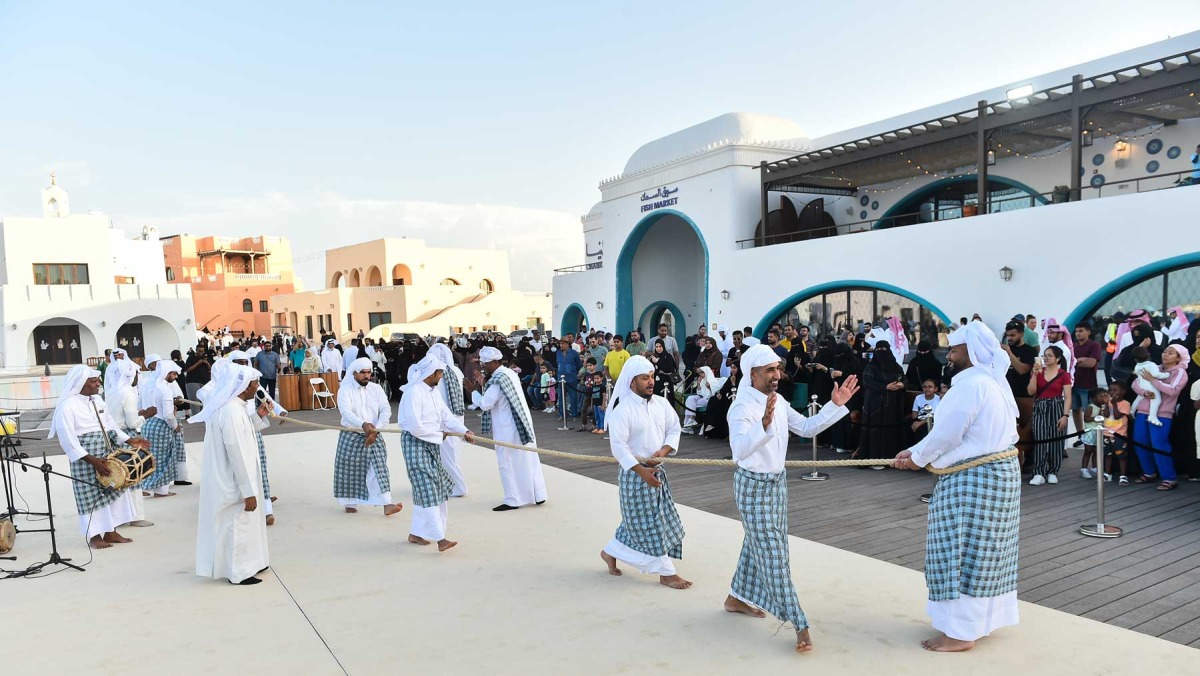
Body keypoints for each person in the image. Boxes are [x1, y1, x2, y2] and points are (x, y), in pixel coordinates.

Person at [891, 321, 1021, 653]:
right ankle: (979, 623)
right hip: (996, 476)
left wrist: (918, 457)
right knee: (988, 552)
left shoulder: (972, 384)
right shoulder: (989, 382)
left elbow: (949, 434)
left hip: (974, 480)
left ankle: (961, 633)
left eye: (954, 348)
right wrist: (916, 454)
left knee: (959, 551)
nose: (949, 354)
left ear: (971, 351)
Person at [724, 344, 859, 653]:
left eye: (777, 368)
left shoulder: (778, 400)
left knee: (757, 542)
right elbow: (739, 451)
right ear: (753, 373)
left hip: (777, 483)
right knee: (773, 553)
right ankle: (799, 622)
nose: (777, 374)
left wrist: (834, 406)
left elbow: (808, 428)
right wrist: (764, 427)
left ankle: (736, 597)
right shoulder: (742, 407)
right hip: (753, 486)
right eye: (770, 369)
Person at [599, 355, 691, 589]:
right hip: (634, 475)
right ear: (632, 382)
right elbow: (618, 448)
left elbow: (673, 428)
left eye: (652, 377)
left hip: (656, 472)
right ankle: (666, 573)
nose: (651, 382)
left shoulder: (661, 403)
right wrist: (642, 471)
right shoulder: (623, 410)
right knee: (652, 523)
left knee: (642, 521)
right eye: (644, 378)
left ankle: (610, 551)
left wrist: (665, 450)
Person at [49, 365, 151, 549]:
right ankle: (94, 536)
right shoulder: (67, 406)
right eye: (93, 381)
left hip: (107, 452)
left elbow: (110, 425)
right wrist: (92, 460)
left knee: (115, 490)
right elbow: (68, 440)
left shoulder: (97, 400)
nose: (98, 384)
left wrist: (129, 440)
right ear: (80, 383)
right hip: (85, 458)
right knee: (90, 497)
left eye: (98, 380)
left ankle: (110, 532)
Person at [192, 364, 270, 585]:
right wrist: (248, 491)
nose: (257, 387)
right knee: (238, 523)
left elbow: (244, 432)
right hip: (234, 479)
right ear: (244, 386)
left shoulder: (236, 408)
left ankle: (253, 562)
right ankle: (239, 572)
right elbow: (236, 452)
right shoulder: (230, 411)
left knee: (245, 523)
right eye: (254, 383)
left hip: (239, 477)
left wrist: (258, 416)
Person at [398, 355, 475, 551]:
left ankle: (416, 533)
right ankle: (440, 539)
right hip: (415, 444)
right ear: (432, 373)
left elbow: (447, 417)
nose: (442, 377)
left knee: (434, 490)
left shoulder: (433, 392)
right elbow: (415, 428)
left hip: (431, 443)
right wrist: (439, 436)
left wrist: (463, 431)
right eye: (440, 373)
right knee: (428, 490)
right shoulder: (413, 393)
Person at [476, 346, 548, 511]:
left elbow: (486, 404)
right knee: (529, 459)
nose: (483, 366)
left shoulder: (497, 379)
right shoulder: (509, 373)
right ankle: (538, 495)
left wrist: (473, 391)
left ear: (495, 362)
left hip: (507, 427)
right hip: (521, 422)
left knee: (507, 462)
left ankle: (512, 499)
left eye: (485, 363)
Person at [334, 359, 403, 516]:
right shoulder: (345, 390)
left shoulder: (376, 389)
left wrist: (376, 429)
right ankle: (349, 502)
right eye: (363, 373)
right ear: (354, 373)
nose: (366, 376)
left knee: (379, 468)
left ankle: (386, 503)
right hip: (351, 434)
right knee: (349, 470)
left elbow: (386, 409)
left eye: (368, 372)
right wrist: (363, 424)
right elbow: (346, 412)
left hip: (374, 434)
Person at [104, 359, 155, 528]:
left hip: (113, 435)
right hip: (127, 436)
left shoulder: (111, 391)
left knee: (119, 477)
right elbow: (132, 423)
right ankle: (136, 516)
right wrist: (147, 414)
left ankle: (119, 517)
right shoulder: (128, 393)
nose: (138, 376)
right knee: (133, 474)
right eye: (136, 373)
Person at [1131, 343, 1189, 490]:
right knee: (1140, 441)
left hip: (1163, 413)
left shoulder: (1180, 372)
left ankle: (1169, 478)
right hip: (1144, 410)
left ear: (1178, 358)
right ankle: (1149, 472)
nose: (1165, 355)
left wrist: (1153, 380)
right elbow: (1135, 383)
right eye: (1165, 352)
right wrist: (1144, 393)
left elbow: (1173, 390)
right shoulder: (1155, 367)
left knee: (1159, 444)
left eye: (1170, 353)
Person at [428, 343, 469, 497]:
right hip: (456, 417)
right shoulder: (456, 371)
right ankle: (446, 482)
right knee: (451, 454)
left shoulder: (437, 373)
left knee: (448, 456)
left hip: (445, 418)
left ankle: (459, 487)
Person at [856, 341, 906, 467]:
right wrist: (885, 387)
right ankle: (875, 459)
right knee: (875, 432)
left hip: (893, 404)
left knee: (890, 431)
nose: (881, 352)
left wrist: (902, 384)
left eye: (884, 349)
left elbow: (903, 377)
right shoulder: (871, 367)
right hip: (875, 405)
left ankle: (891, 458)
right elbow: (867, 382)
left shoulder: (895, 366)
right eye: (879, 349)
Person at [1027, 345, 1072, 486]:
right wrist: (1034, 375)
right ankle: (1038, 472)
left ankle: (1053, 470)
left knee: (1056, 439)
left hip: (1056, 405)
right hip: (1040, 405)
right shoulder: (1039, 372)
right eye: (1044, 355)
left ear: (1057, 358)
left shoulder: (1064, 375)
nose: (1045, 358)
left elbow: (1068, 397)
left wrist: (1065, 415)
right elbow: (1030, 391)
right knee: (1040, 438)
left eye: (1049, 355)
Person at [140, 359, 182, 497]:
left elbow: (139, 406)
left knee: (150, 458)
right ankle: (155, 489)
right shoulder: (165, 389)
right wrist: (175, 426)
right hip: (161, 426)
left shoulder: (147, 386)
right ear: (167, 373)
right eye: (174, 374)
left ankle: (153, 488)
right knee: (164, 459)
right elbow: (168, 415)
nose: (175, 377)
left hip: (147, 424)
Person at [1071, 322, 1105, 449]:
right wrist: (1080, 360)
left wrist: (1075, 362)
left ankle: (1092, 436)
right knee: (1075, 410)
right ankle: (1081, 435)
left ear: (1088, 332)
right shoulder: (1073, 346)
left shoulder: (1094, 345)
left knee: (1089, 412)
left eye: (1081, 331)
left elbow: (1091, 363)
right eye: (1077, 331)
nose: (1078, 333)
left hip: (1088, 385)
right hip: (1074, 384)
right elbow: (1069, 362)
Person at [1131, 347, 1173, 426]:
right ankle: (1152, 416)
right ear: (1148, 355)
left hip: (1141, 385)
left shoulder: (1137, 365)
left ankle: (1132, 410)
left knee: (1139, 398)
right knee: (1156, 400)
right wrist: (1166, 375)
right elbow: (1156, 374)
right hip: (1150, 386)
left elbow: (1136, 373)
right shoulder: (1151, 364)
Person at [1079, 387, 1110, 479]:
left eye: (1105, 396)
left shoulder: (1104, 407)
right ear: (1093, 398)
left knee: (1097, 451)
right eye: (1100, 397)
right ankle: (1084, 469)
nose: (1103, 398)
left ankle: (1094, 467)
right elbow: (1086, 418)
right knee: (1088, 451)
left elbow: (1107, 415)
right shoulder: (1091, 407)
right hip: (1090, 432)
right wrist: (1096, 418)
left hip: (1099, 432)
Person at [683, 366, 719, 434]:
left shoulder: (713, 381)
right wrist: (699, 384)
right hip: (702, 397)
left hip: (708, 399)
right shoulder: (702, 381)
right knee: (690, 399)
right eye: (700, 373)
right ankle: (691, 420)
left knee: (690, 404)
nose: (701, 375)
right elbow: (699, 392)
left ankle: (689, 424)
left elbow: (714, 394)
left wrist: (709, 387)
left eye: (702, 373)